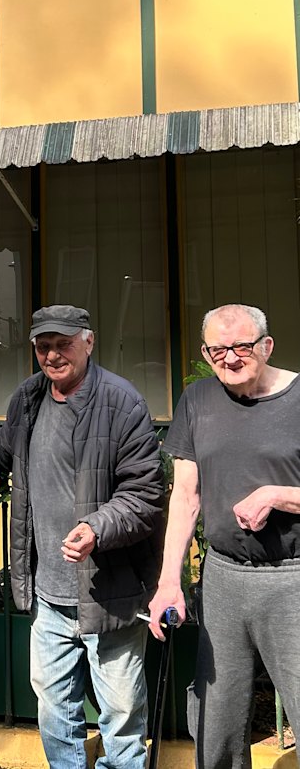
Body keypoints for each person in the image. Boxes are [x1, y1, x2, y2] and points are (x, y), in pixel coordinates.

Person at [0, 304, 164, 769]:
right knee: (55, 713)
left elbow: (144, 493)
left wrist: (96, 527)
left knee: (121, 716)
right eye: (43, 346)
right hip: (48, 596)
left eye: (63, 344)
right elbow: (4, 446)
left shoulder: (122, 402)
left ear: (88, 342)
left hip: (109, 594)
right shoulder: (29, 398)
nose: (53, 355)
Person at [148, 303, 300, 769]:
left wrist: (277, 495)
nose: (230, 358)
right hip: (224, 578)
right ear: (205, 353)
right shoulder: (197, 400)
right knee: (216, 722)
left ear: (266, 346)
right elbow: (185, 497)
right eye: (218, 350)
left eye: (242, 347)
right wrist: (169, 582)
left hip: (292, 579)